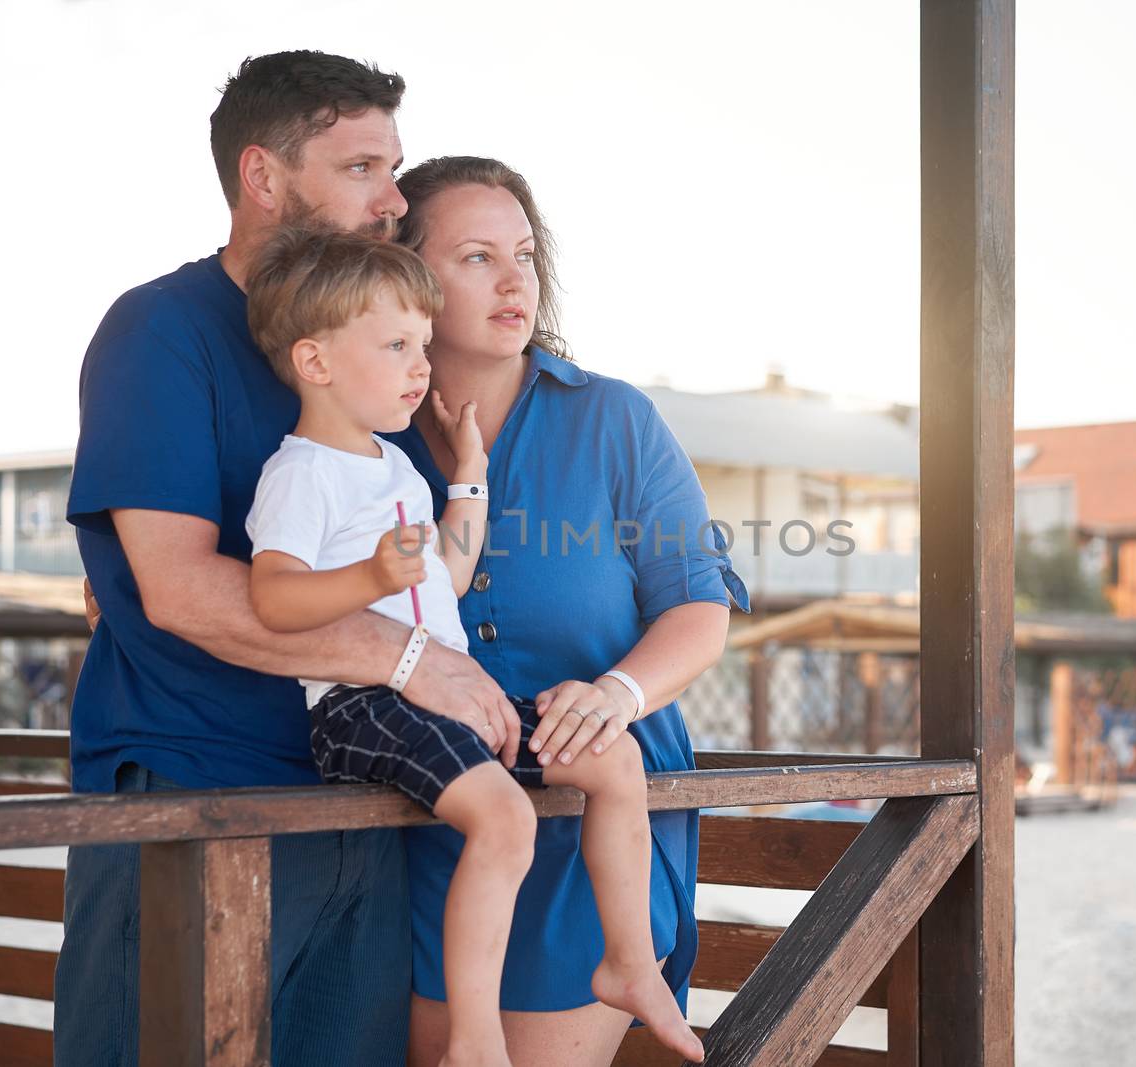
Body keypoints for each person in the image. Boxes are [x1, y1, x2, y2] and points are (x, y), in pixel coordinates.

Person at [56, 52, 518, 1065]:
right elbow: (176, 587)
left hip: (367, 794)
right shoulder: (160, 331)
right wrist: (411, 661)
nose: (395, 199)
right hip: (198, 793)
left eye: (393, 169)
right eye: (361, 167)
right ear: (263, 177)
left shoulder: (374, 350)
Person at [241, 227, 705, 1065]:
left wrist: (469, 475)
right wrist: (368, 576)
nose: (417, 365)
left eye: (420, 344)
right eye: (397, 345)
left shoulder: (394, 466)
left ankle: (631, 963)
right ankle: (476, 1038)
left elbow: (447, 576)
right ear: (315, 362)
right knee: (504, 815)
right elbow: (272, 597)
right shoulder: (302, 472)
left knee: (614, 759)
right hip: (364, 706)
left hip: (440, 708)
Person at [386, 156, 751, 1067]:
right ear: (407, 279)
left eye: (524, 253)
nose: (516, 280)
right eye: (477, 257)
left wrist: (619, 692)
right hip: (417, 820)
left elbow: (699, 607)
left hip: (591, 838)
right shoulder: (364, 436)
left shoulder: (617, 421)